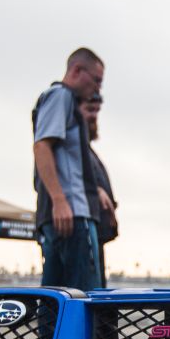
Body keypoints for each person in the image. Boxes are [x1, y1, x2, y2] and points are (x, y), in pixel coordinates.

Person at [32, 47, 104, 290]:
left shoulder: (63, 101)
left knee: (56, 293)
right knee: (83, 292)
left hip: (64, 214)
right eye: (96, 80)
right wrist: (60, 200)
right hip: (72, 213)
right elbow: (42, 146)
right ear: (77, 71)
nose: (97, 89)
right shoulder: (61, 96)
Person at [78, 94, 117, 287]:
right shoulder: (74, 149)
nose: (94, 117)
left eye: (96, 111)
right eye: (89, 110)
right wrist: (96, 190)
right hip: (82, 227)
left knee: (97, 285)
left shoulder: (88, 151)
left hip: (96, 229)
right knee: (86, 286)